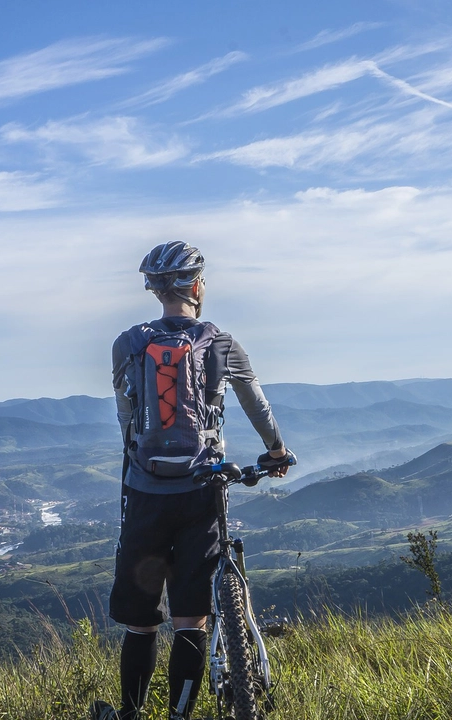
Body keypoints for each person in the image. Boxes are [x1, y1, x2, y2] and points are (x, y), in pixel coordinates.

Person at [91, 241, 295, 720]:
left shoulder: (128, 344)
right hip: (202, 493)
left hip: (144, 494)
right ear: (197, 286)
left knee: (141, 624)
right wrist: (276, 450)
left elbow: (126, 415)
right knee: (191, 620)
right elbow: (257, 405)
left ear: (155, 290)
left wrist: (143, 458)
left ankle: (130, 715)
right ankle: (180, 715)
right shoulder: (221, 342)